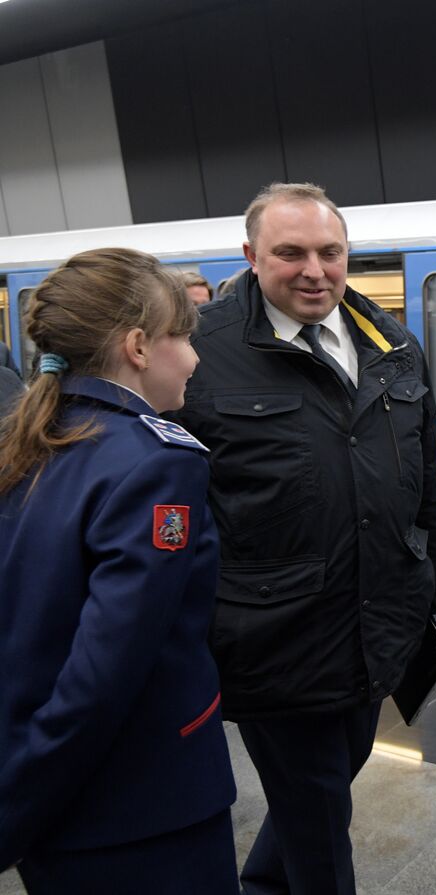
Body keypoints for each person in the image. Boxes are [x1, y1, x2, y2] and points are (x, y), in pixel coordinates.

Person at [168, 183, 436, 895]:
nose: (314, 270)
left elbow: (427, 483)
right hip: (273, 638)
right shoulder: (200, 354)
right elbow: (173, 507)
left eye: (331, 252)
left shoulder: (389, 342)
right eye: (289, 253)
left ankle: (264, 881)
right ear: (250, 256)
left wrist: (428, 588)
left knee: (328, 780)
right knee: (321, 814)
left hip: (377, 623)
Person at [0, 248, 237, 893]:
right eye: (183, 334)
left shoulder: (30, 440)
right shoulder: (155, 462)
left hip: (47, 792)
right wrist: (16, 808)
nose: (193, 356)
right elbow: (109, 667)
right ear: (138, 346)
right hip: (140, 808)